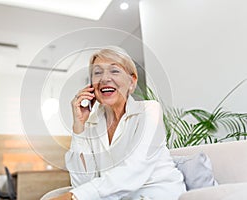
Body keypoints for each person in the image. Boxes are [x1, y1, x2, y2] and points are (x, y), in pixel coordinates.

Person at [50, 47, 186, 200]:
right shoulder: (91, 124)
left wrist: (74, 196)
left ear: (132, 82)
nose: (104, 78)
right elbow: (82, 182)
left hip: (156, 194)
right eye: (97, 73)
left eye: (114, 71)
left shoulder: (149, 111)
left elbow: (135, 168)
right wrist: (79, 126)